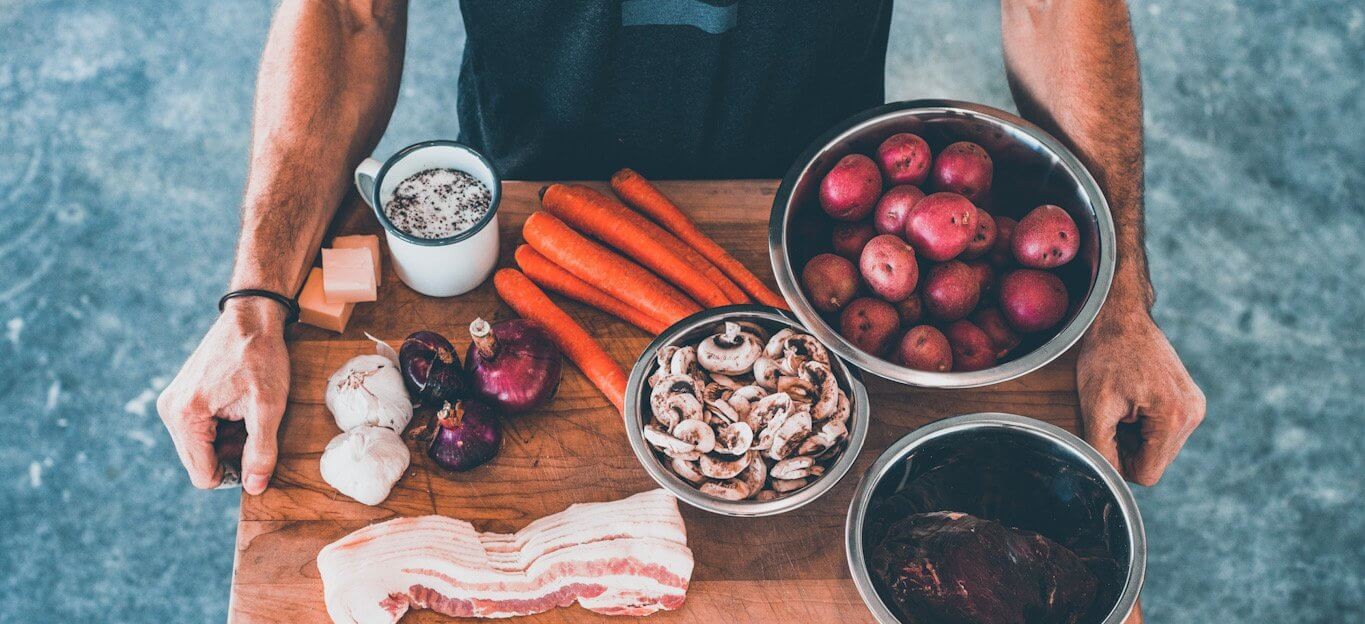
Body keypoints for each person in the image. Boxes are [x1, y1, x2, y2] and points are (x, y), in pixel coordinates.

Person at [158, 0, 1204, 495]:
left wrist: (1119, 306)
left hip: (819, 239)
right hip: (526, 210)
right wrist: (253, 303)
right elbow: (349, 15)